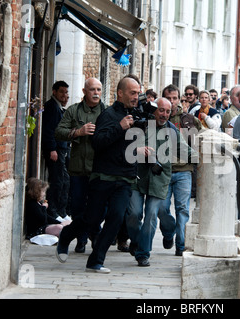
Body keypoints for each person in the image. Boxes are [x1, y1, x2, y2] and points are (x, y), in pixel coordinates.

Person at [56, 76, 142, 273]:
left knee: (116, 217)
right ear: (120, 93)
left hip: (125, 178)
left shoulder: (136, 115)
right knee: (91, 218)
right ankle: (67, 235)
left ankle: (96, 260)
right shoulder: (107, 115)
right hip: (103, 176)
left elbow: (131, 144)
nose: (136, 97)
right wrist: (119, 127)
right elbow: (98, 142)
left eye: (138, 93)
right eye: (132, 93)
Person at [126, 98, 196, 266]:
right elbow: (126, 148)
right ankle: (136, 240)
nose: (164, 114)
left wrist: (207, 156)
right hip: (138, 176)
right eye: (161, 110)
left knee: (151, 215)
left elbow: (185, 150)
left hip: (159, 178)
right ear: (154, 110)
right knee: (134, 214)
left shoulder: (172, 130)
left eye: (168, 111)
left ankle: (143, 253)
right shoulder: (141, 126)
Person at [55, 78, 105, 253]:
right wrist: (78, 132)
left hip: (99, 169)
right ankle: (81, 239)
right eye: (92, 89)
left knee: (97, 208)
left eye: (99, 89)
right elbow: (58, 132)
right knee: (77, 207)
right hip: (77, 168)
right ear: (84, 91)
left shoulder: (106, 112)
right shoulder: (73, 111)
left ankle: (95, 234)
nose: (96, 93)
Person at [158, 84, 201, 256]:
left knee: (182, 208)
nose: (172, 101)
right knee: (161, 208)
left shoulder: (188, 119)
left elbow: (200, 139)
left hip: (184, 170)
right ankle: (169, 233)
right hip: (163, 170)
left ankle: (181, 245)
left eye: (175, 98)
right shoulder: (156, 119)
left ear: (180, 99)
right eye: (168, 98)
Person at [41, 81, 70, 222]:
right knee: (57, 181)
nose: (65, 95)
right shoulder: (52, 107)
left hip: (61, 149)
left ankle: (61, 211)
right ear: (54, 92)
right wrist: (52, 149)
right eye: (62, 92)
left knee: (64, 180)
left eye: (66, 92)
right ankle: (53, 211)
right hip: (56, 150)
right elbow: (49, 130)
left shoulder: (58, 107)